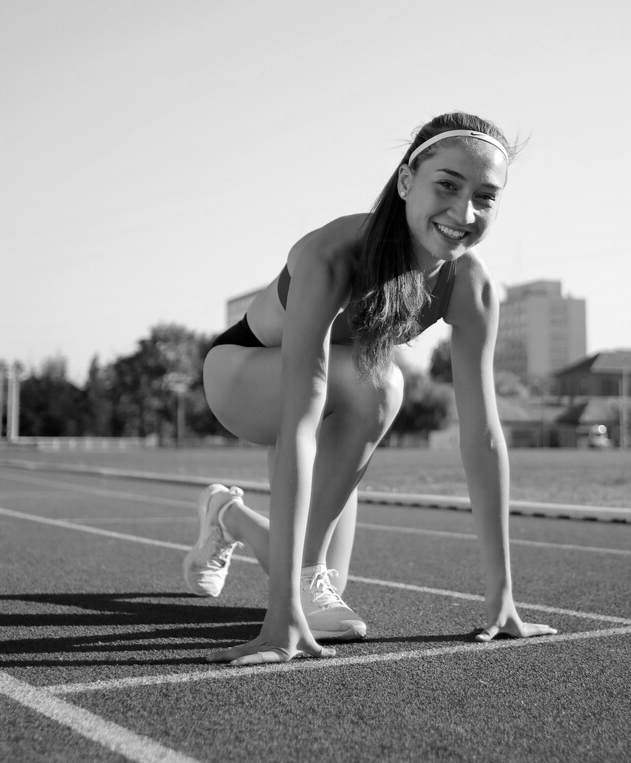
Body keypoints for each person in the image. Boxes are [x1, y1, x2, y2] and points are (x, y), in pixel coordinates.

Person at [190, 112, 558, 666]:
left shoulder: (471, 285)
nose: (465, 213)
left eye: (486, 196)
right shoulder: (334, 254)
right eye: (448, 186)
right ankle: (287, 586)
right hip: (244, 373)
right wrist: (278, 615)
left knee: (321, 579)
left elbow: (482, 436)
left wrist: (502, 596)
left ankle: (229, 516)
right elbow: (299, 417)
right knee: (383, 381)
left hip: (341, 395)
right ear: (407, 181)